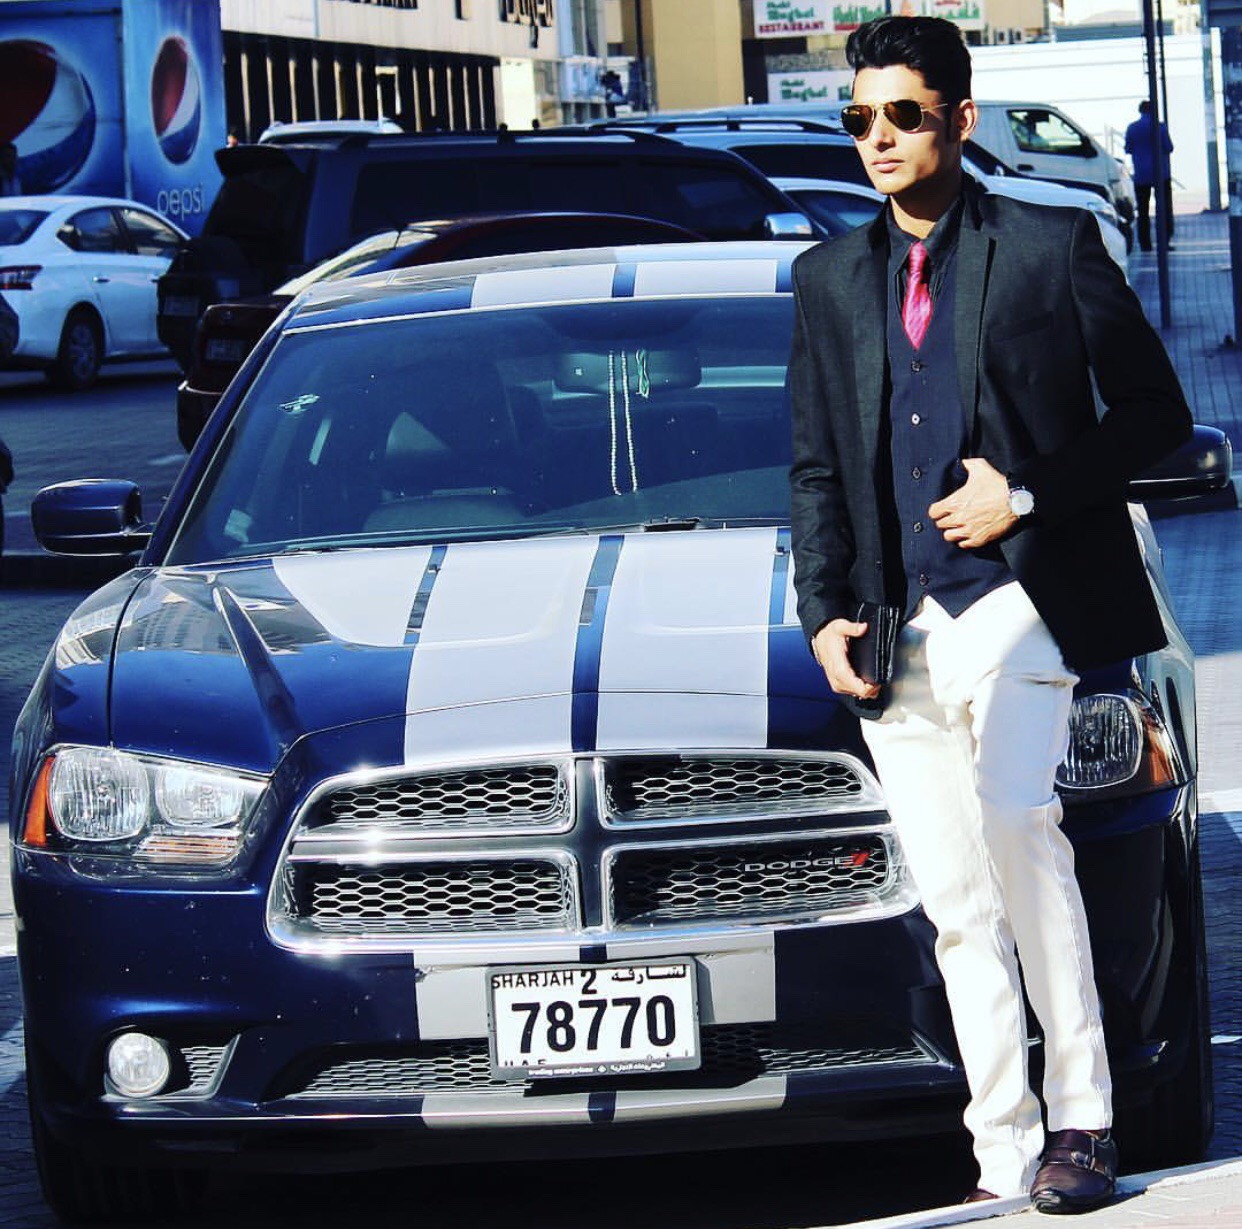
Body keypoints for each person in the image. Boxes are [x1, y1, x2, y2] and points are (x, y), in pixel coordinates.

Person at [787, 15, 1191, 1215]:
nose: (878, 138)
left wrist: (1024, 493)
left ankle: (1083, 1120)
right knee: (958, 904)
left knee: (1021, 824)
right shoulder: (829, 279)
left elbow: (1155, 413)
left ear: (960, 119)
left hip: (1023, 598)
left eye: (902, 114)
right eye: (859, 118)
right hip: (894, 620)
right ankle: (1004, 1148)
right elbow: (816, 466)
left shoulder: (1048, 247)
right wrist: (822, 611)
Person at [1124, 100, 1173, 252]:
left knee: (1143, 211)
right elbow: (1169, 147)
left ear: (1140, 111)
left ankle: (1145, 244)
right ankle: (1164, 241)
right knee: (1163, 208)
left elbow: (1128, 148)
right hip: (1161, 173)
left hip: (1141, 174)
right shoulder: (1160, 127)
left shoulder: (1132, 128)